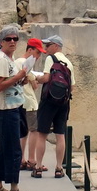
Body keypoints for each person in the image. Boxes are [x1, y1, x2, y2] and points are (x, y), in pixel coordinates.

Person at [0, 25, 29, 191]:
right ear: (1, 42)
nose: (12, 42)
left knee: (5, 148)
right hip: (6, 110)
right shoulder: (2, 60)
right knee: (14, 150)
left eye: (15, 39)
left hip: (12, 107)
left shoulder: (9, 59)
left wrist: (20, 80)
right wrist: (17, 76)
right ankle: (14, 188)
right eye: (8, 39)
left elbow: (9, 82)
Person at [32, 35, 75, 179]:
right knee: (60, 134)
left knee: (42, 134)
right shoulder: (69, 62)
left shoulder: (51, 59)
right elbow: (72, 86)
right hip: (63, 102)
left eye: (48, 45)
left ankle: (38, 167)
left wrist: (36, 78)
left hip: (49, 100)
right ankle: (58, 168)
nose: (46, 48)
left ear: (56, 46)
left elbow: (46, 78)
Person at [18, 37, 45, 170]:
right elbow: (35, 84)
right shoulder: (25, 63)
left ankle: (21, 158)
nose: (39, 56)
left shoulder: (16, 61)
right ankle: (32, 159)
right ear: (30, 50)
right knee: (34, 130)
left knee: (23, 132)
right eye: (37, 52)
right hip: (29, 102)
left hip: (20, 101)